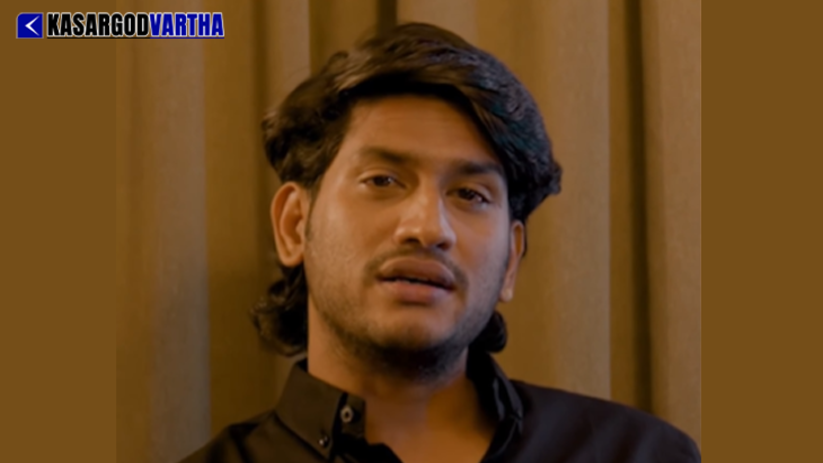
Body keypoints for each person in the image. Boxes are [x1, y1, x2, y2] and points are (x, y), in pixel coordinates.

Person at [180, 22, 700, 463]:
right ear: (295, 225)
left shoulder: (641, 455)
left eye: (470, 194)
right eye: (383, 181)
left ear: (511, 259)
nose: (429, 228)